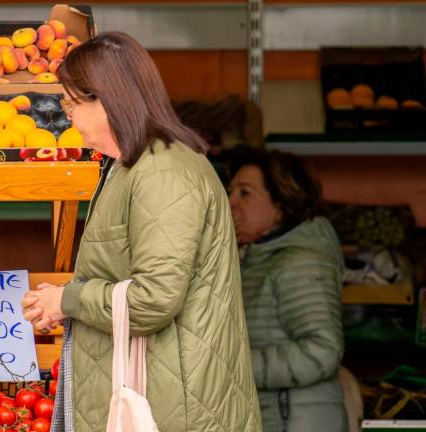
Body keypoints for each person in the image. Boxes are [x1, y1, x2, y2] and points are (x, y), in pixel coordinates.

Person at [21, 32, 262, 432]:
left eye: (71, 103)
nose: (68, 117)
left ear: (105, 100)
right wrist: (63, 302)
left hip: (174, 408)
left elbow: (154, 298)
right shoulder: (133, 166)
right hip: (165, 398)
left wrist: (69, 300)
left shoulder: (162, 172)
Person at [228, 148, 346, 432]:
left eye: (245, 193)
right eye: (231, 191)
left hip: (298, 422)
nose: (230, 202)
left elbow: (322, 351)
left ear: (281, 206)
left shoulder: (300, 262)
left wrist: (235, 366)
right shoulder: (259, 259)